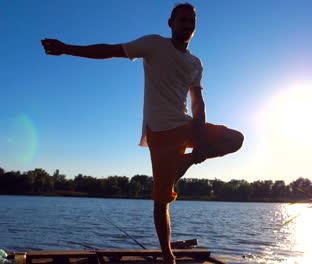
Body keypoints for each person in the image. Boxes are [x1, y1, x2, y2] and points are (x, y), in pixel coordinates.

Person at [41, 3, 244, 263]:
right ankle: (167, 254)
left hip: (187, 125)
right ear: (170, 23)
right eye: (182, 19)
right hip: (160, 132)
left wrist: (200, 147)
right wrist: (67, 48)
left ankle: (186, 161)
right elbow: (110, 50)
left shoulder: (196, 63)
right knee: (162, 201)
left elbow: (198, 104)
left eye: (192, 20)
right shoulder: (154, 44)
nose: (187, 24)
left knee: (234, 139)